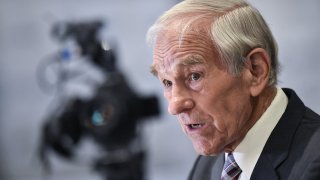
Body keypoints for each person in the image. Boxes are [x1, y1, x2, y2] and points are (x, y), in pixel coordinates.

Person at [146, 0, 320, 179]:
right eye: (167, 82)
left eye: (194, 76)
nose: (175, 106)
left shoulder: (314, 164)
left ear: (255, 70)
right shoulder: (208, 164)